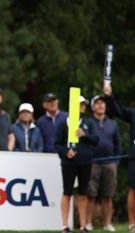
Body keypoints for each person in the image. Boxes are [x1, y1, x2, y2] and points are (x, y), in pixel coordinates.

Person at [55, 96, 99, 233]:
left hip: (85, 162)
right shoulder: (63, 123)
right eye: (80, 104)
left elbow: (96, 140)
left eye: (84, 104)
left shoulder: (88, 123)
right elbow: (57, 144)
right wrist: (66, 152)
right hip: (68, 163)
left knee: (82, 194)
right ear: (73, 106)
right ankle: (64, 226)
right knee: (67, 193)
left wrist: (84, 135)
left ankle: (83, 226)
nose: (83, 106)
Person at [85, 95, 121, 232]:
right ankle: (88, 223)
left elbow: (118, 144)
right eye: (97, 103)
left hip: (110, 163)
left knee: (108, 195)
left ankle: (107, 224)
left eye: (102, 103)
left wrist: (116, 161)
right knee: (91, 195)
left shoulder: (113, 123)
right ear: (93, 107)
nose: (100, 106)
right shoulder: (88, 122)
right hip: (92, 162)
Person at [103, 82, 135, 232]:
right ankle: (132, 224)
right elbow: (118, 111)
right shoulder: (133, 113)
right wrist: (109, 96)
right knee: (133, 189)